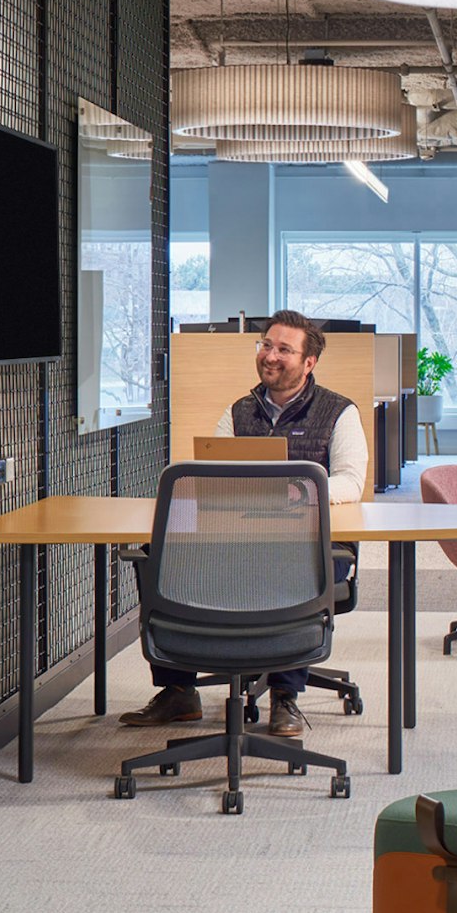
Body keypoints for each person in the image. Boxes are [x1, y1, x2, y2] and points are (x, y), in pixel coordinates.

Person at [121, 309, 368, 739]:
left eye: (284, 349)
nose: (270, 356)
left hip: (309, 543)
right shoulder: (239, 411)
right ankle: (178, 690)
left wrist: (297, 492)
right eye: (266, 345)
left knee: (290, 568)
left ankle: (285, 695)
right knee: (160, 560)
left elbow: (350, 481)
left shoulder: (338, 411)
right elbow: (211, 473)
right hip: (238, 536)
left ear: (309, 362)